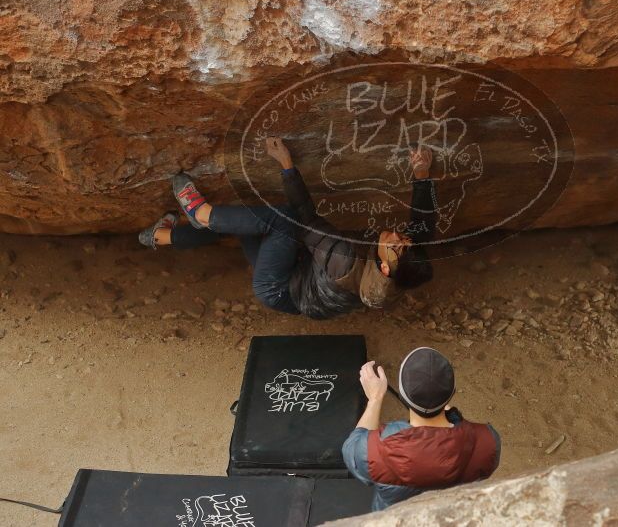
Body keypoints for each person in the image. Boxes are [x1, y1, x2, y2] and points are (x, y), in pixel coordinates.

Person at [137, 137, 437, 319]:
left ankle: (203, 214)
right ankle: (161, 237)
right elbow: (424, 225)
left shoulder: (344, 260)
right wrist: (422, 173)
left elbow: (302, 217)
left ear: (384, 269)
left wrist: (286, 165)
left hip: (280, 288)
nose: (399, 236)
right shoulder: (403, 265)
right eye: (406, 240)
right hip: (304, 274)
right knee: (248, 221)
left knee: (279, 219)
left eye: (397, 246)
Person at [342, 347, 501, 511]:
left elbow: (352, 448)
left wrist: (375, 399)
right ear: (452, 392)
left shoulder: (376, 450)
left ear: (402, 397)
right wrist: (452, 417)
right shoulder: (488, 441)